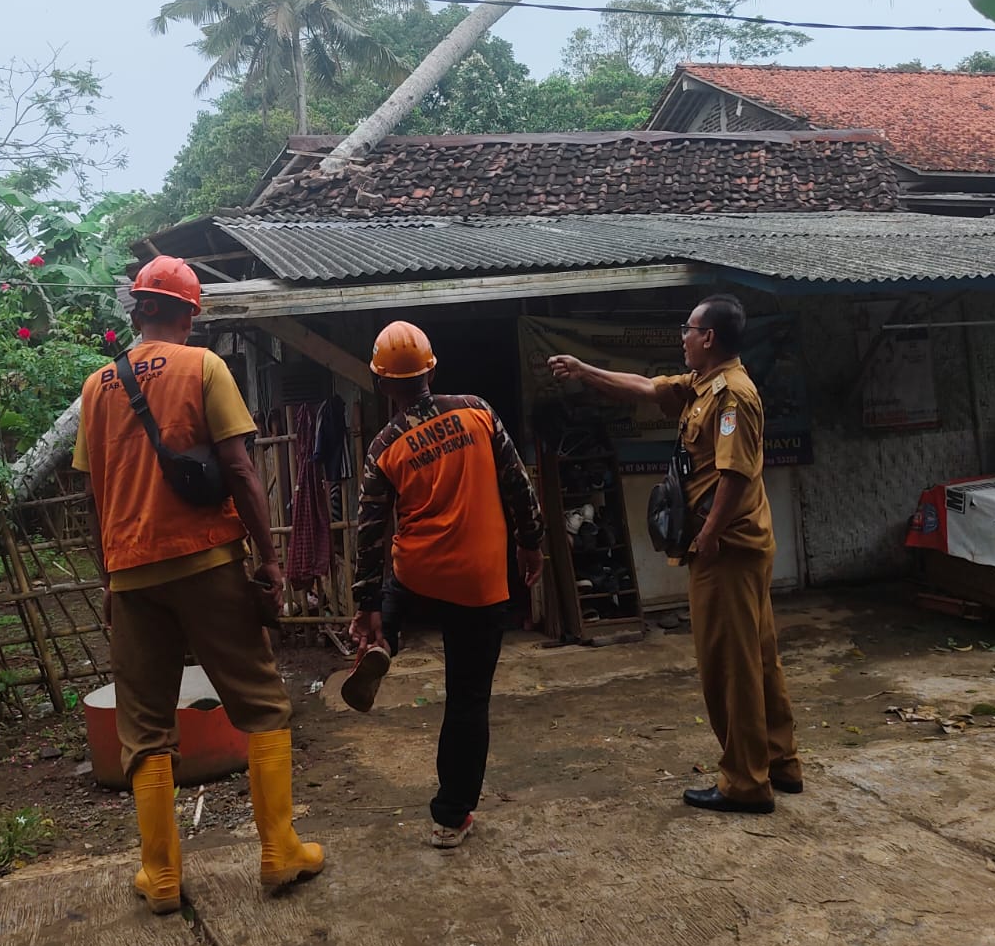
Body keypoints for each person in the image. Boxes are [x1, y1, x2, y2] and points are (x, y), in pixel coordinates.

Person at [73, 255, 323, 912]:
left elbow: (96, 495)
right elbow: (239, 470)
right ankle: (279, 851)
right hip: (206, 561)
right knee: (262, 704)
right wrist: (268, 559)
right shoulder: (203, 367)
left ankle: (160, 876)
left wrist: (109, 578)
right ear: (186, 312)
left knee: (145, 728)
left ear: (138, 309)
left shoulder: (96, 388)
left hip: (130, 575)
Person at [548, 295, 802, 815]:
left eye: (687, 329)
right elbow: (642, 387)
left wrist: (706, 535)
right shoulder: (702, 385)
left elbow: (735, 476)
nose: (682, 337)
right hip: (740, 544)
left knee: (728, 664)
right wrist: (582, 370)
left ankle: (745, 783)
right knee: (758, 657)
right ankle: (780, 761)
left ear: (709, 337)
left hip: (726, 549)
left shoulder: (733, 395)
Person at [344, 320, 545, 847]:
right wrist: (531, 542)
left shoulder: (385, 447)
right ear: (431, 370)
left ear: (381, 381)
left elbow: (368, 534)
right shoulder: (478, 412)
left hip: (417, 572)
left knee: (396, 575)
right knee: (467, 699)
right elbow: (518, 484)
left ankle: (382, 636)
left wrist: (364, 605)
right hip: (478, 579)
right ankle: (451, 815)